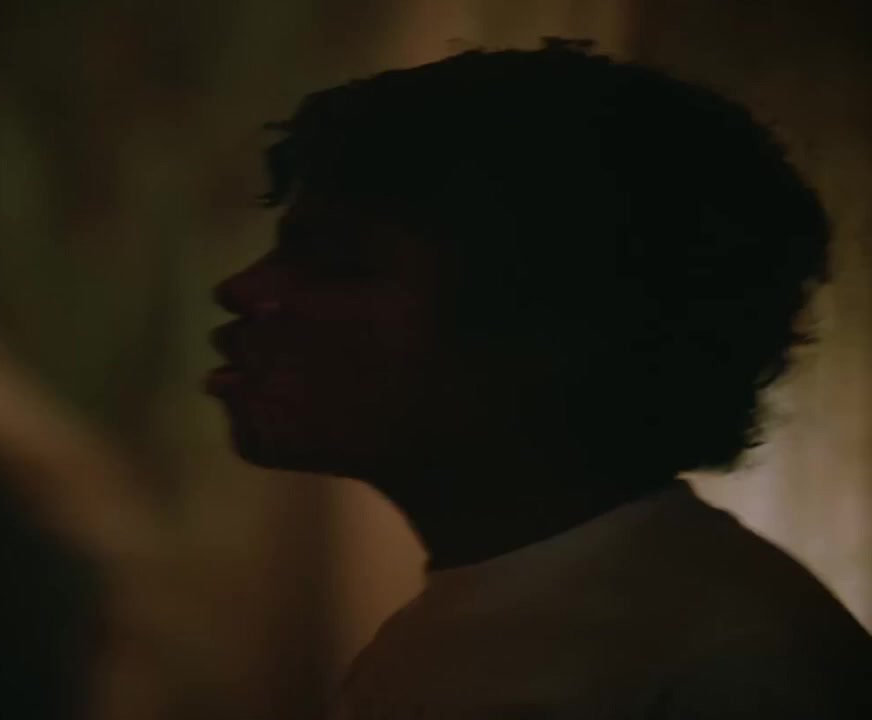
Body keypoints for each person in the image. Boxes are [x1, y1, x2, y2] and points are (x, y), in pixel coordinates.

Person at [206, 39, 872, 719]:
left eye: (336, 262)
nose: (243, 289)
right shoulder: (491, 620)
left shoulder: (726, 666)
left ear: (556, 326)